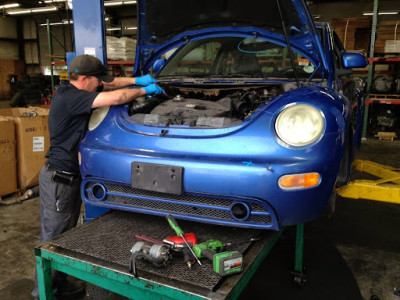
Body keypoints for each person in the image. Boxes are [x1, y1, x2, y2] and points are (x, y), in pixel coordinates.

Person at [32, 54, 164, 299]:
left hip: (69, 177)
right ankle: (44, 292)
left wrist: (138, 79)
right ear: (84, 79)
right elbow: (117, 96)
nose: (100, 83)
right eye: (96, 80)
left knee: (65, 233)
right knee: (53, 237)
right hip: (59, 180)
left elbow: (112, 85)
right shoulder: (72, 98)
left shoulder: (73, 88)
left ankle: (59, 284)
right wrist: (144, 91)